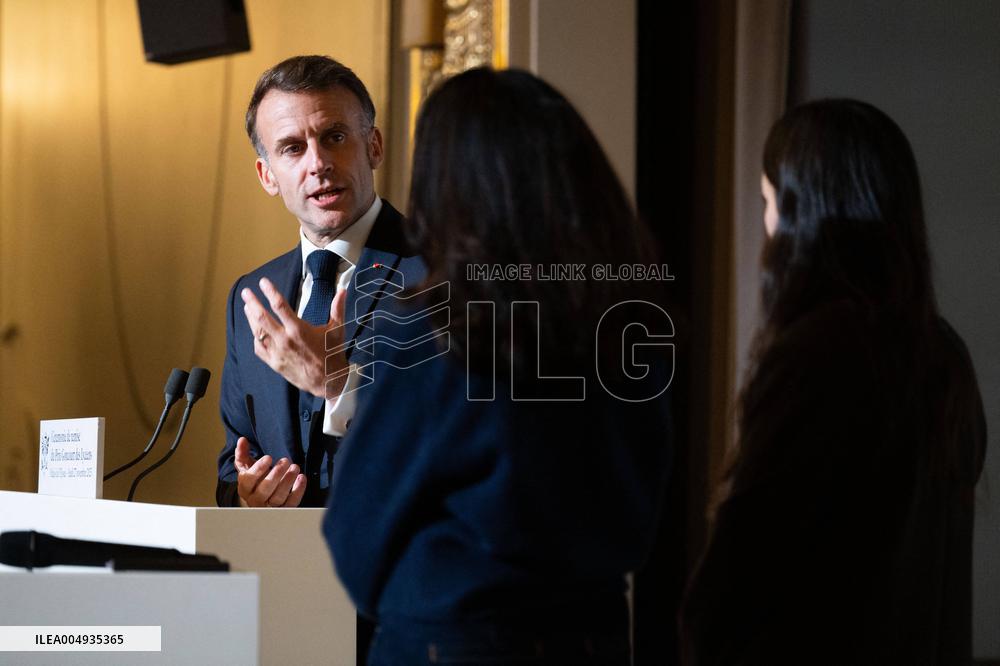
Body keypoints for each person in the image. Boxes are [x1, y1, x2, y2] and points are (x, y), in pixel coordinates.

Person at [317, 68, 674, 664]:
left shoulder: (430, 324)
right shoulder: (631, 322)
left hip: (449, 640)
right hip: (596, 639)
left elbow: (356, 533)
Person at [680, 99, 987, 665]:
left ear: (806, 213)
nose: (767, 226)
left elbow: (735, 586)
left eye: (770, 204)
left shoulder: (817, 354)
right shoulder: (946, 357)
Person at [216, 55, 422, 508]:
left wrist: (341, 385)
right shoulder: (249, 298)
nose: (319, 163)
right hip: (283, 572)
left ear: (374, 146)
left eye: (335, 137)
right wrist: (251, 495)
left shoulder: (448, 273)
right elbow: (232, 466)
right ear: (268, 175)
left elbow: (480, 437)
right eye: (292, 148)